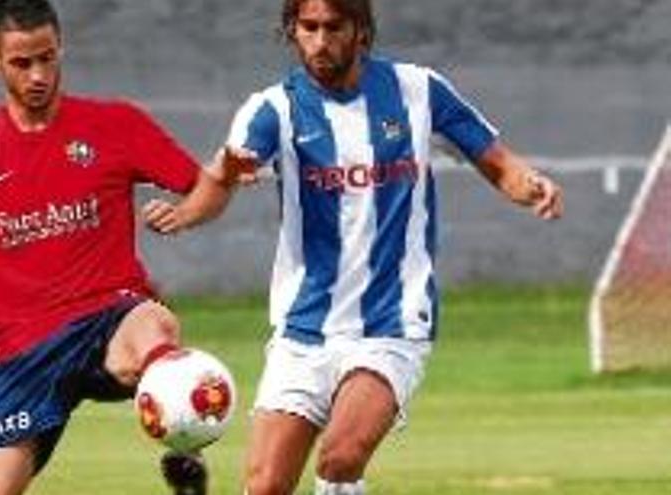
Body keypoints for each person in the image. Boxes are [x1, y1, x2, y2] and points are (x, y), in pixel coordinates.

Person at [143, 0, 564, 493]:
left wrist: (529, 185)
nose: (321, 41)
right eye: (309, 27)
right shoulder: (272, 109)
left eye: (334, 27)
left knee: (341, 455)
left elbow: (494, 159)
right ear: (292, 31)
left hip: (393, 320)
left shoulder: (418, 91)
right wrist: (188, 212)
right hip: (305, 326)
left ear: (361, 30)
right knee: (264, 487)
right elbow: (224, 178)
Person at [0, 1, 234, 494]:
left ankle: (184, 448)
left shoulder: (114, 124)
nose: (38, 74)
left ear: (61, 49)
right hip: (24, 350)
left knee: (152, 323)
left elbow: (206, 185)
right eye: (22, 62)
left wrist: (189, 210)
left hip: (108, 315)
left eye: (47, 57)